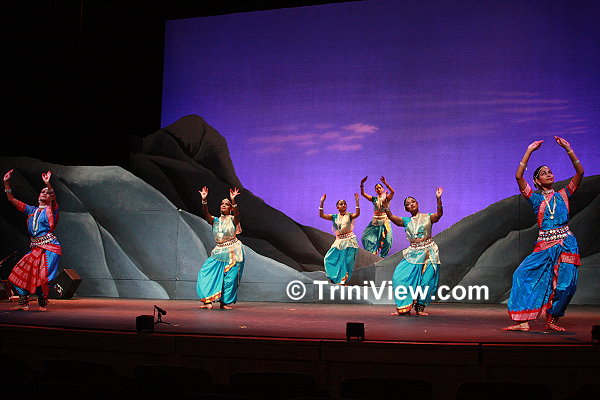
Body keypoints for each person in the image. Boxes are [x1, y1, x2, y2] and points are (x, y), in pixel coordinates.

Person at [504, 136, 584, 332]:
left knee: (566, 285)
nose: (548, 174)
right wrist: (529, 151)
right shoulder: (535, 199)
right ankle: (523, 320)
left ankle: (552, 319)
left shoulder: (564, 194)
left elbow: (580, 172)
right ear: (537, 181)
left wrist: (568, 149)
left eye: (550, 172)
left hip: (566, 243)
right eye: (543, 173)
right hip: (544, 245)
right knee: (521, 275)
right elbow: (518, 177)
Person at [4, 170, 61, 312]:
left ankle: (42, 303)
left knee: (42, 276)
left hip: (50, 248)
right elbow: (11, 199)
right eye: (42, 191)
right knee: (17, 273)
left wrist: (48, 184)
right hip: (35, 248)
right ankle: (24, 303)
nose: (44, 193)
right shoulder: (31, 210)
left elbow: (53, 198)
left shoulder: (52, 210)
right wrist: (6, 182)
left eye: (47, 192)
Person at [386, 188, 444, 315]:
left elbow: (439, 214)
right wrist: (386, 205)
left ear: (417, 204)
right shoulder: (405, 221)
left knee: (426, 282)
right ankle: (404, 307)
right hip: (413, 253)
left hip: (429, 252)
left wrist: (438, 199)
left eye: (413, 202)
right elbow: (391, 217)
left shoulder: (428, 217)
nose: (411, 204)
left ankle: (420, 308)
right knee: (399, 277)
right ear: (406, 209)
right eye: (408, 204)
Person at [196, 186, 244, 310]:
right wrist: (204, 200)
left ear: (230, 208)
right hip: (219, 251)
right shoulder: (215, 220)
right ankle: (207, 302)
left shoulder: (233, 220)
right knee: (205, 273)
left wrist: (233, 201)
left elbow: (237, 215)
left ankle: (224, 303)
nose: (223, 205)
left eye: (226, 204)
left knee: (230, 279)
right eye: (222, 204)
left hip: (233, 251)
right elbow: (206, 214)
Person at [319, 193, 360, 285]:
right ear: (337, 207)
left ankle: (343, 281)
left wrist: (357, 201)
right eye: (341, 204)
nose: (344, 205)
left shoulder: (349, 215)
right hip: (339, 241)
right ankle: (337, 278)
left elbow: (357, 214)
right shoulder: (334, 217)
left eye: (345, 204)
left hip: (350, 241)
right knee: (328, 258)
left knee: (348, 262)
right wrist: (322, 202)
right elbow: (321, 215)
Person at [360, 176, 395, 257]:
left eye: (380, 188)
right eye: (376, 188)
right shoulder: (374, 199)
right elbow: (363, 194)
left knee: (388, 241)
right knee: (365, 238)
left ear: (382, 189)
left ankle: (382, 257)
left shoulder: (387, 197)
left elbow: (393, 192)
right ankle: (372, 255)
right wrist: (362, 183)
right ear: (375, 191)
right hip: (375, 222)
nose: (378, 189)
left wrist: (386, 183)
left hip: (385, 222)